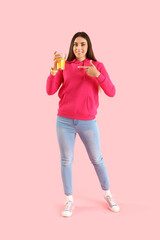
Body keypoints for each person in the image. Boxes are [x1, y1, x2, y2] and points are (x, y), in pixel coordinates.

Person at [46, 31, 120, 217]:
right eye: (75, 44)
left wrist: (98, 75)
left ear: (88, 47)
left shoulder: (97, 66)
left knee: (97, 159)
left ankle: (108, 194)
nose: (78, 48)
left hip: (88, 122)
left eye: (82, 44)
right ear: (72, 47)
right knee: (66, 160)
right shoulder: (65, 65)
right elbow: (50, 90)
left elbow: (111, 92)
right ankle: (69, 200)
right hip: (64, 121)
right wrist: (54, 69)